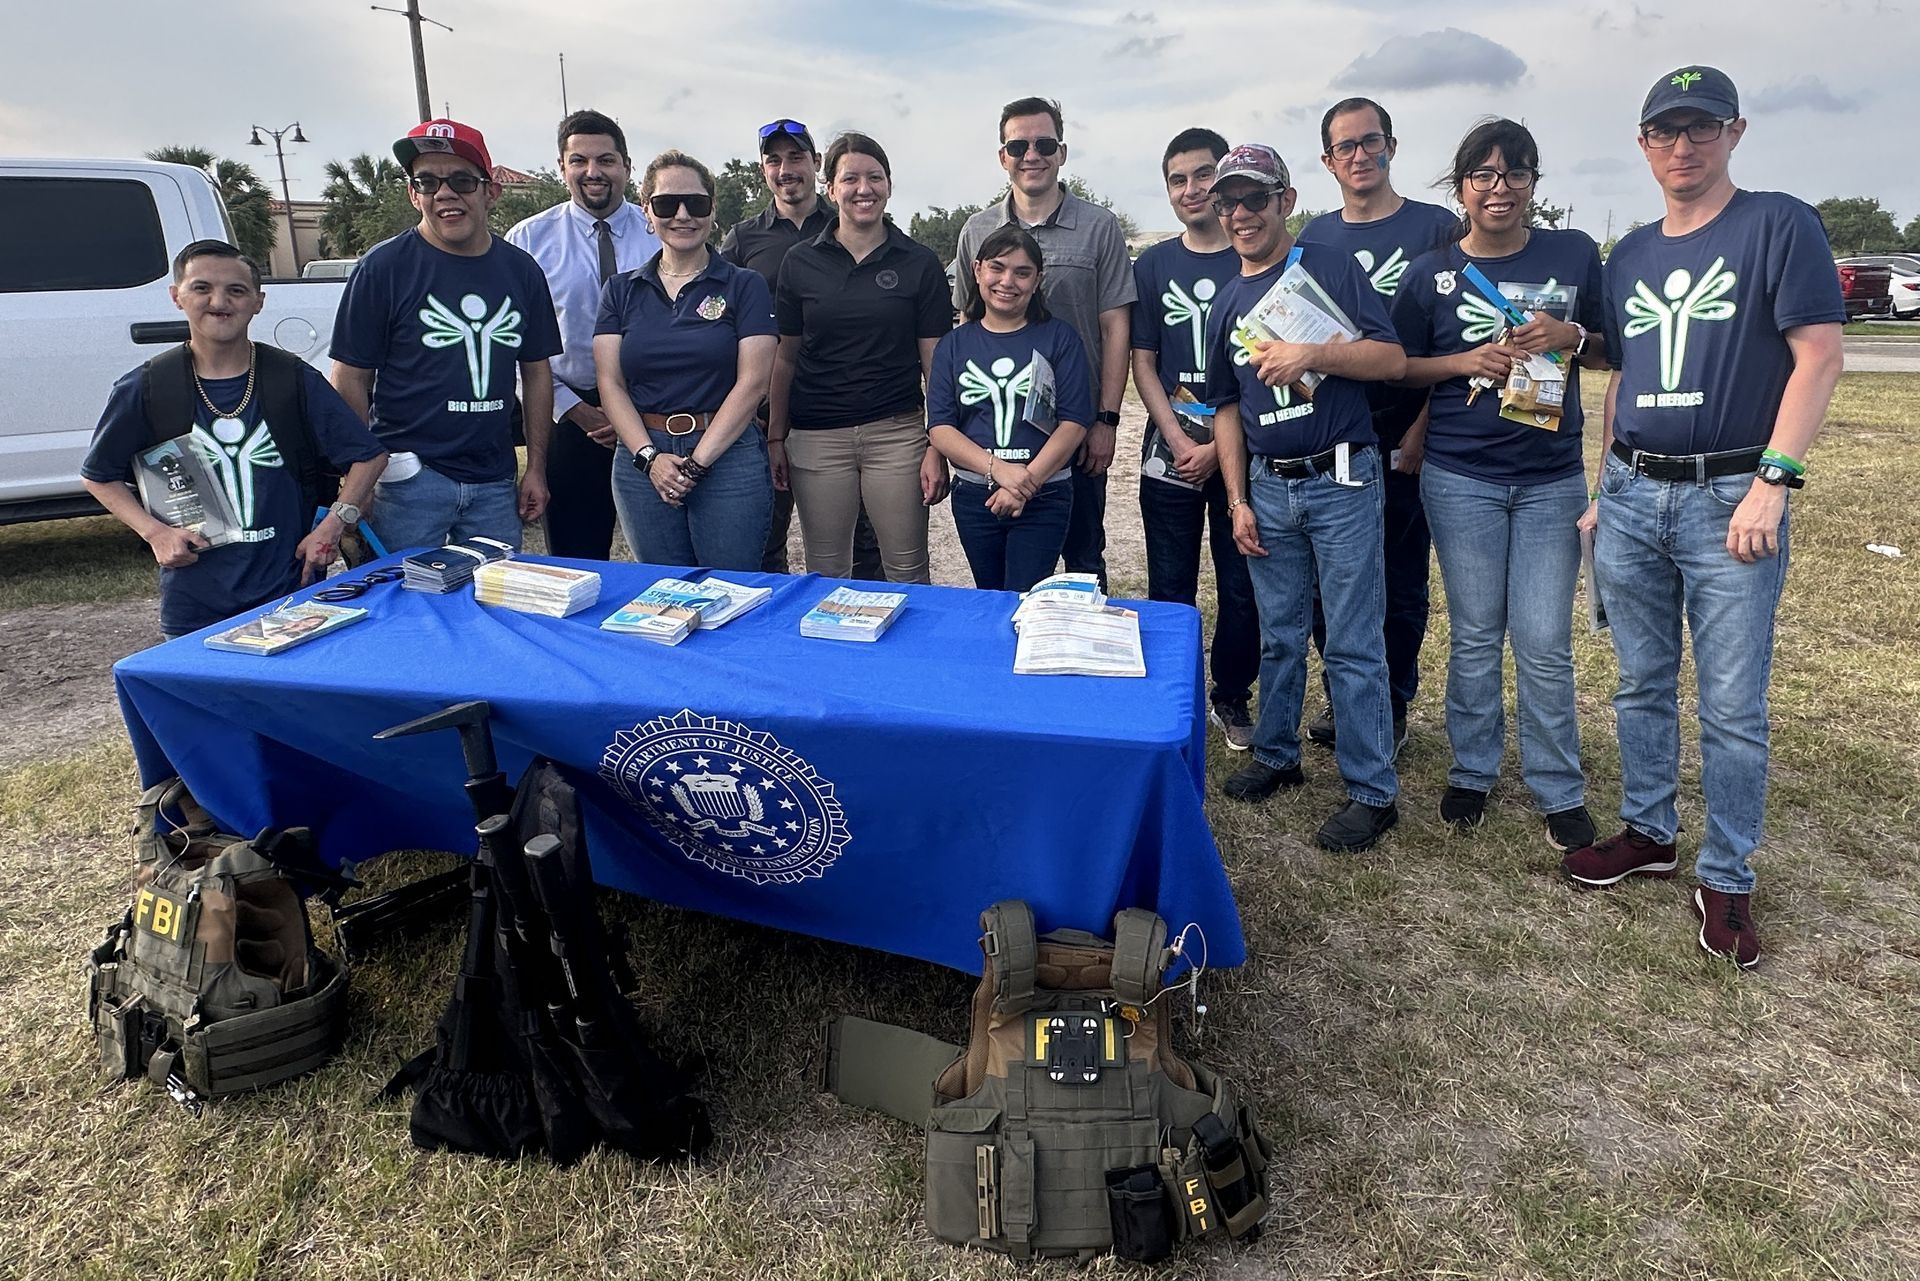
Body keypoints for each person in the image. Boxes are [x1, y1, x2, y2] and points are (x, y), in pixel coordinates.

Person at [1564, 66, 1845, 968]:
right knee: (1641, 682)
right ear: (1643, 144)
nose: (1682, 147)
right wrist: (1606, 486)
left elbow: (1820, 357)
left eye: (1701, 128)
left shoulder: (1778, 223)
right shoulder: (1630, 254)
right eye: (1664, 132)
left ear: (1736, 132)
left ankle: (1727, 874)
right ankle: (1650, 830)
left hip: (1733, 494)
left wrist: (1776, 479)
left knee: (1731, 702)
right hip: (1636, 490)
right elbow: (1626, 375)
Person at [1392, 118, 1607, 853]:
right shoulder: (1431, 273)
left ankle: (1559, 787)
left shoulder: (1575, 254)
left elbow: (1614, 345)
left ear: (1533, 186)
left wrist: (1571, 336)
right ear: (1461, 188)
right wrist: (1460, 364)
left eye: (1516, 174)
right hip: (1461, 477)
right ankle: (1472, 770)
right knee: (1477, 633)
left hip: (1551, 479)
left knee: (1545, 640)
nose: (1499, 189)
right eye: (1483, 175)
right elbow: (1401, 366)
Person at [1206, 144, 1406, 853]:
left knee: (1351, 640)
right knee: (1281, 632)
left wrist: (1312, 354)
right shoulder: (1226, 301)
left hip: (1342, 476)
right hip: (1269, 483)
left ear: (1286, 201)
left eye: (1254, 199)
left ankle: (1373, 790)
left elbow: (1392, 359)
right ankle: (1277, 753)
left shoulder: (1328, 266)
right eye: (1227, 202)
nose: (1239, 214)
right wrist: (1236, 498)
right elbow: (1225, 408)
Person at [82, 240, 387, 638]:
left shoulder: (292, 379)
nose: (219, 301)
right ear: (177, 296)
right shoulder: (148, 387)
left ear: (259, 301)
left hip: (291, 596)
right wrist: (154, 532)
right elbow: (99, 474)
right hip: (195, 602)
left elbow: (369, 457)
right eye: (202, 288)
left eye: (236, 290)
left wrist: (332, 525)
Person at [1297, 97, 1458, 756]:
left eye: (1371, 142)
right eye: (1346, 147)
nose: (1360, 156)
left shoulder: (1436, 229)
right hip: (1333, 431)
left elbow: (1449, 339)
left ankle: (1390, 705)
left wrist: (1422, 425)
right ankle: (1347, 697)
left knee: (1397, 574)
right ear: (1327, 160)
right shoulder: (1314, 239)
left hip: (1404, 429)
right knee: (1330, 577)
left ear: (1392, 145)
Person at [330, 118, 563, 552]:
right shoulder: (383, 268)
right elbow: (349, 378)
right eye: (427, 181)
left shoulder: (522, 271)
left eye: (461, 179)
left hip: (494, 480)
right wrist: (355, 479)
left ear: (489, 191)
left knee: (493, 603)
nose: (445, 193)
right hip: (407, 479)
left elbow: (536, 373)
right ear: (412, 193)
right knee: (404, 604)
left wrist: (535, 468)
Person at [953, 96, 1134, 589]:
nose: (1031, 154)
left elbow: (1115, 326)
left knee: (1083, 563)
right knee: (997, 582)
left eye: (1044, 143)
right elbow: (967, 322)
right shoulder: (977, 231)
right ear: (1002, 156)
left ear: (1062, 151)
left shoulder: (1100, 227)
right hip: (997, 432)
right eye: (1018, 145)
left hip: (1075, 430)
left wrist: (1107, 419)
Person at [768, 132, 951, 582]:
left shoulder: (919, 262)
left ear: (889, 185)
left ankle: (907, 655)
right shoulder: (799, 262)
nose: (863, 189)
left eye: (875, 177)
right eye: (850, 178)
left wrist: (937, 444)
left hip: (897, 436)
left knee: (907, 570)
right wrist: (776, 436)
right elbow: (785, 357)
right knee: (827, 572)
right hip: (816, 439)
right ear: (830, 188)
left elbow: (936, 364)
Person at [1130, 127, 1260, 751]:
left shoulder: (1257, 254)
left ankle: (1231, 696)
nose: (1192, 189)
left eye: (1204, 175)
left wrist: (1220, 448)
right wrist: (1178, 439)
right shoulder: (1152, 264)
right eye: (1178, 180)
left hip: (1245, 447)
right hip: (1170, 448)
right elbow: (1143, 361)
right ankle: (1171, 699)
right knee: (1170, 584)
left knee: (1241, 584)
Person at [594, 151, 776, 571]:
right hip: (643, 459)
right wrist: (649, 459)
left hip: (727, 454)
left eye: (695, 203)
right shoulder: (620, 291)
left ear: (712, 210)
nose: (682, 215)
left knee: (730, 591)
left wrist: (695, 465)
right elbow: (610, 383)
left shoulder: (744, 285)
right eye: (666, 204)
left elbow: (753, 383)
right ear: (647, 212)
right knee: (662, 594)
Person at [720, 118, 883, 579]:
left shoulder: (849, 223)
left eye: (796, 157)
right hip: (766, 408)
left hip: (841, 406)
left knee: (863, 542)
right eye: (774, 160)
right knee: (767, 536)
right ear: (763, 170)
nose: (786, 169)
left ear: (816, 166)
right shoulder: (743, 239)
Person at [504, 109, 660, 561]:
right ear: (562, 167)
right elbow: (515, 344)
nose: (593, 172)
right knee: (576, 559)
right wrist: (577, 411)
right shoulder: (528, 240)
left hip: (652, 410)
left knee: (664, 557)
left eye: (606, 160)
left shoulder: (660, 232)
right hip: (570, 416)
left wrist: (632, 413)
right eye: (580, 161)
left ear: (627, 167)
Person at [928, 227, 1091, 592]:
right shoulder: (954, 346)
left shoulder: (1059, 338)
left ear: (1038, 280)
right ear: (977, 270)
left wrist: (1025, 484)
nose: (1007, 281)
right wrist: (1000, 471)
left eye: (1022, 272)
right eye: (997, 268)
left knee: (1027, 599)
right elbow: (940, 427)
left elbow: (1074, 422)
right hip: (975, 495)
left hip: (1045, 494)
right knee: (989, 596)